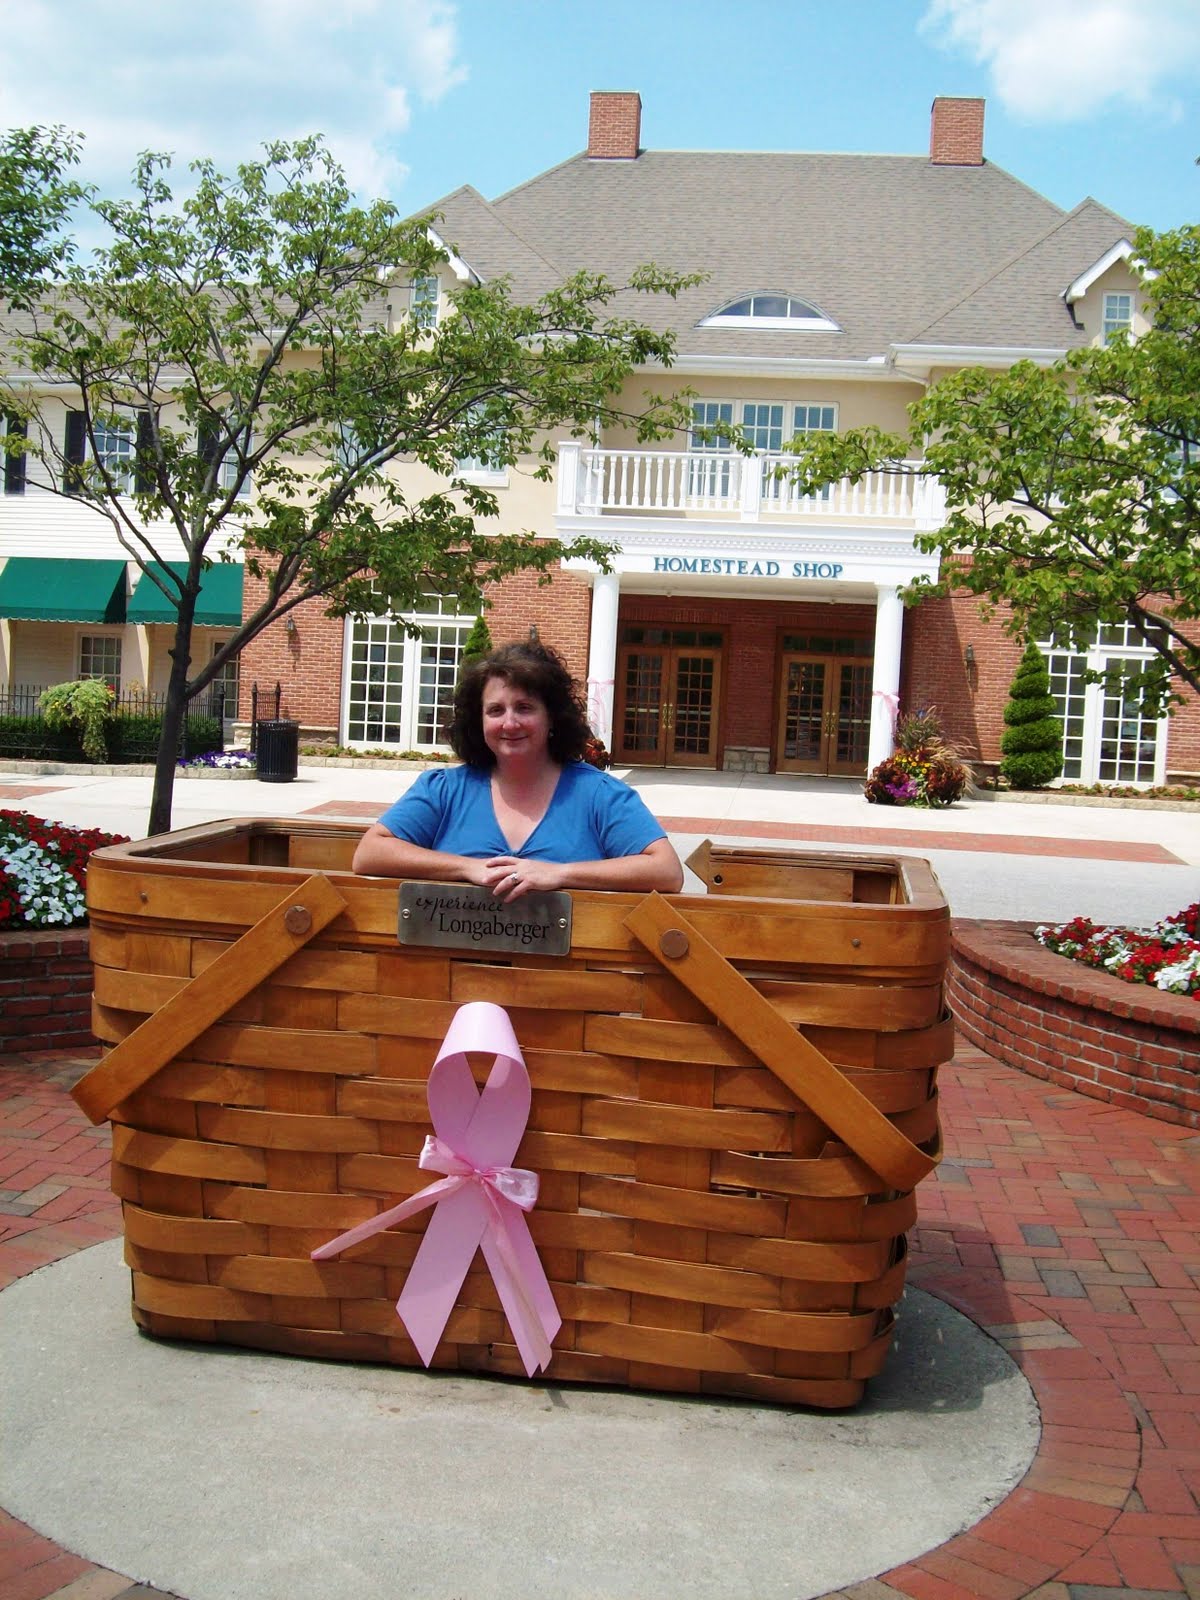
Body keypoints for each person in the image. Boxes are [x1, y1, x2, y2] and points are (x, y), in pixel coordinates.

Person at [353, 641, 684, 899]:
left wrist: (559, 874)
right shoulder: (443, 789)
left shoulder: (599, 795)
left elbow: (666, 870)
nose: (509, 723)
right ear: (478, 720)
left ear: (552, 716)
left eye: (524, 708)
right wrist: (467, 868)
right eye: (495, 710)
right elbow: (370, 853)